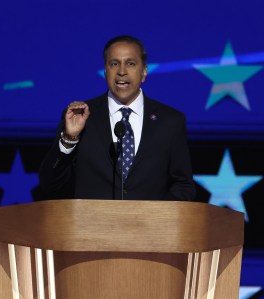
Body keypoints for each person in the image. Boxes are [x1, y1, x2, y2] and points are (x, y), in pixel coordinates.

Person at [38, 35, 196, 201]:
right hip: (92, 225)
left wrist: (155, 219)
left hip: (150, 225)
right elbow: (50, 185)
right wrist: (69, 139)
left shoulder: (170, 121)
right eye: (114, 64)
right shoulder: (80, 117)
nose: (122, 71)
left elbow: (184, 186)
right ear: (106, 71)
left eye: (130, 63)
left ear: (144, 72)